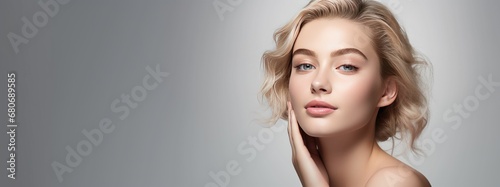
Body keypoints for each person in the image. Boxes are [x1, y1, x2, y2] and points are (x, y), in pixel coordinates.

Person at [259, 0, 431, 186]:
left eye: (347, 66)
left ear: (386, 91)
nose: (318, 83)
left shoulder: (397, 183)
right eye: (305, 65)